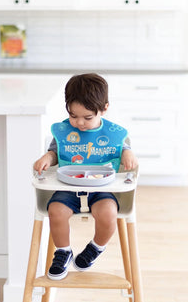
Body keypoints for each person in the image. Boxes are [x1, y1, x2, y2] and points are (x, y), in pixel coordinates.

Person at [33, 73, 138, 280]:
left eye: (87, 117)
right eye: (73, 116)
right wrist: (48, 156)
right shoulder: (64, 132)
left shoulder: (113, 134)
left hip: (102, 188)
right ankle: (63, 251)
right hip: (68, 188)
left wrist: (127, 153)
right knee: (55, 211)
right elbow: (56, 152)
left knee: (109, 213)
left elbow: (122, 147)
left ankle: (96, 247)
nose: (79, 123)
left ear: (104, 108)